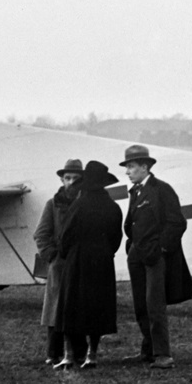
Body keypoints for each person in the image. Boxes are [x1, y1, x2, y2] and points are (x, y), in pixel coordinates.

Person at [120, 144, 192, 369]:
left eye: (131, 167)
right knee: (140, 304)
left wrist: (161, 249)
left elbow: (177, 222)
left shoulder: (162, 190)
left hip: (154, 257)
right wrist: (132, 246)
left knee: (154, 305)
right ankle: (148, 350)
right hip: (137, 254)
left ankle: (163, 354)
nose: (128, 172)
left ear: (145, 167)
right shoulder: (136, 191)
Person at [53, 160, 123, 370]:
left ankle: (68, 355)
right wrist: (105, 253)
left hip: (78, 259)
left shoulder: (78, 204)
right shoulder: (113, 207)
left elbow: (66, 236)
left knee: (69, 308)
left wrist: (68, 254)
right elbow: (116, 237)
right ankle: (92, 355)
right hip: (102, 260)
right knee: (97, 307)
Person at [32, 159, 82, 365]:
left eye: (76, 179)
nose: (71, 182)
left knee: (78, 307)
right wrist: (52, 255)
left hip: (80, 264)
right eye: (67, 178)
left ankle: (78, 352)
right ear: (62, 180)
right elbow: (41, 234)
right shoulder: (52, 204)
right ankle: (53, 353)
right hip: (59, 265)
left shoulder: (85, 203)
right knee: (55, 308)